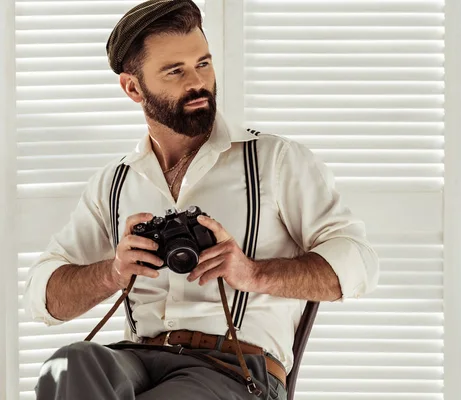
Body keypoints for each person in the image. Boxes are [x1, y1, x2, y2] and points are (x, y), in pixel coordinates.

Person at [23, 1, 379, 399]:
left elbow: (359, 264)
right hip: (137, 361)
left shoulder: (276, 161)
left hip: (234, 370)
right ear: (133, 87)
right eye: (175, 71)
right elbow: (44, 297)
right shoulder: (115, 182)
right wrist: (113, 271)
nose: (198, 82)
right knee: (67, 365)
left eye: (203, 63)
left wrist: (252, 273)